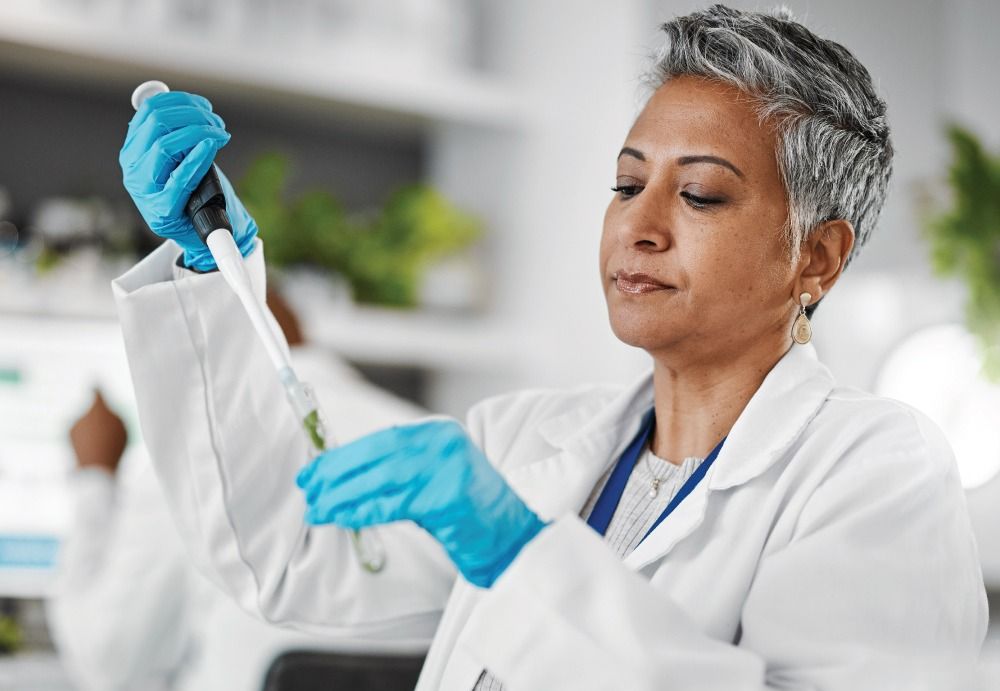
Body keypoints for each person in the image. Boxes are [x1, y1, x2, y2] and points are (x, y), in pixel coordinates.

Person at [111, 5, 987, 690]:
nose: (638, 226)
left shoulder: (875, 472)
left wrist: (521, 554)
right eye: (627, 183)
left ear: (816, 256)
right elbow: (285, 558)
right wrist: (213, 269)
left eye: (700, 195)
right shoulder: (524, 439)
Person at [46, 294, 429, 691]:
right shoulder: (431, 440)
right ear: (298, 327)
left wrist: (95, 476)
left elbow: (109, 661)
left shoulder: (195, 465)